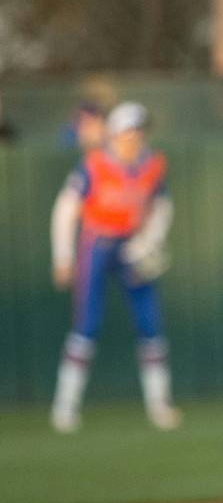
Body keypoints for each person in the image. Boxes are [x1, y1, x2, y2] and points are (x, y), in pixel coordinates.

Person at [49, 101, 180, 432]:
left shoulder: (151, 165)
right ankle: (65, 407)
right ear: (116, 133)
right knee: (86, 326)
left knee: (150, 325)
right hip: (98, 244)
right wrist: (63, 257)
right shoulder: (94, 165)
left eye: (139, 131)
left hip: (132, 247)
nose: (135, 138)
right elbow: (66, 210)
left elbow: (162, 207)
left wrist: (148, 242)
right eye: (129, 131)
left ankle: (159, 405)